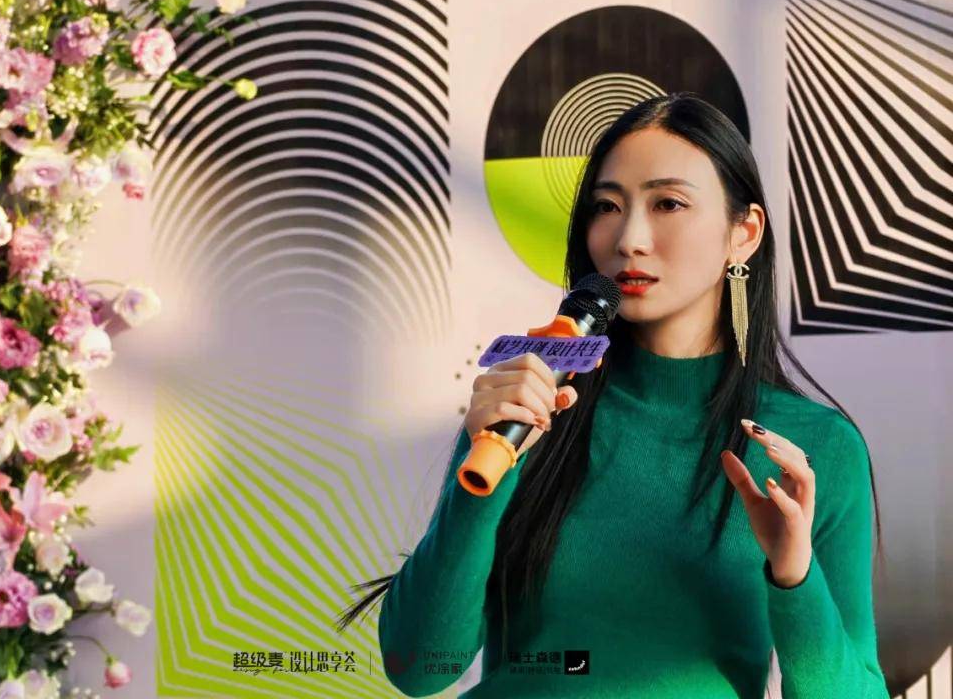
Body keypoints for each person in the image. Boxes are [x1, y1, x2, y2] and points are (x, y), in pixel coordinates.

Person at [335, 92, 889, 698]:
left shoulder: (813, 448)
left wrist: (795, 577)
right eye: (607, 206)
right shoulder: (536, 403)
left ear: (744, 233)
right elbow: (419, 666)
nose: (630, 238)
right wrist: (478, 485)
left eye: (668, 203)